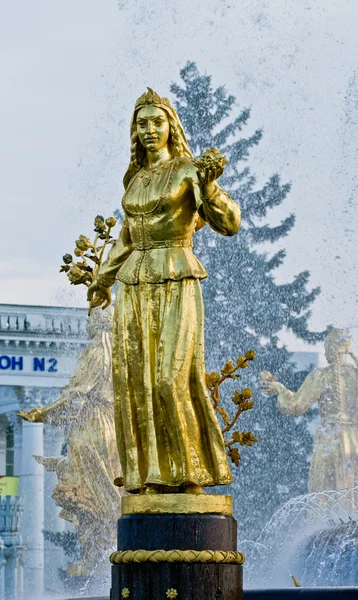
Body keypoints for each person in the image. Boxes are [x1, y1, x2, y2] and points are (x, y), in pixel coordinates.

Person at [87, 88, 241, 494]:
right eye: (142, 124)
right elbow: (127, 236)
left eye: (157, 122)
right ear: (134, 132)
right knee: (136, 382)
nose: (150, 130)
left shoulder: (189, 169)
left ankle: (191, 475)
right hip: (134, 286)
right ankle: (149, 477)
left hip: (176, 277)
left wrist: (208, 188)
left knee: (169, 378)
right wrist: (103, 279)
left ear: (171, 127)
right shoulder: (136, 178)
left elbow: (230, 223)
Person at [18, 307, 122, 575]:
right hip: (112, 427)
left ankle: (94, 559)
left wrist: (43, 413)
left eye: (90, 320)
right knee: (107, 494)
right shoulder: (119, 357)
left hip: (92, 427)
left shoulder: (97, 353)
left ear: (97, 323)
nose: (86, 325)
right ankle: (105, 555)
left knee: (91, 496)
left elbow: (77, 394)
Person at [260, 328, 358, 492]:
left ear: (333, 348)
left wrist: (279, 389)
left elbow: (295, 406)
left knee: (327, 496)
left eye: (326, 347)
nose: (325, 352)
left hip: (330, 439)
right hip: (355, 441)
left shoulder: (322, 375)